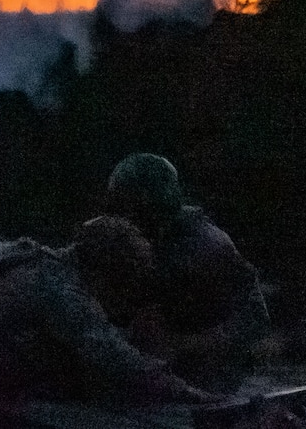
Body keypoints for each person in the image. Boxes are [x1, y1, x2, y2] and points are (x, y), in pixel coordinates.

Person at [0, 216, 216, 420]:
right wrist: (192, 394)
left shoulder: (28, 256)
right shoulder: (63, 291)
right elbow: (117, 359)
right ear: (108, 273)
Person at [104, 153, 270, 392]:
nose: (126, 217)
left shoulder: (206, 245)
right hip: (149, 365)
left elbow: (254, 316)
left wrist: (191, 344)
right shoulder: (134, 239)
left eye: (132, 207)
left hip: (206, 375)